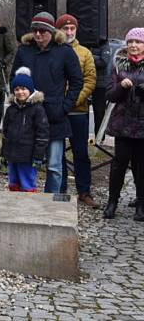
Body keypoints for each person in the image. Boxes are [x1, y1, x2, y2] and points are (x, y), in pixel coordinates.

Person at [11, 12, 83, 194]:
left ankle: (51, 203)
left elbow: (77, 82)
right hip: (27, 115)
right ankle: (27, 200)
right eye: (35, 31)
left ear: (51, 31)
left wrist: (65, 107)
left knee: (54, 166)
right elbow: (14, 78)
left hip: (54, 115)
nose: (38, 35)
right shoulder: (24, 51)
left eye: (42, 31)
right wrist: (18, 100)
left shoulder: (65, 51)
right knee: (25, 162)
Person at [56, 14, 99, 207]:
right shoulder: (53, 51)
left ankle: (84, 191)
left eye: (72, 29)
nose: (69, 32)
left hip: (78, 111)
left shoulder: (85, 53)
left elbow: (90, 80)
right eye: (66, 29)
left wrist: (73, 100)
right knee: (57, 153)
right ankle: (61, 188)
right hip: (57, 112)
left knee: (81, 153)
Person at [102, 28, 144, 221]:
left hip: (142, 125)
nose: (133, 46)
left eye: (137, 42)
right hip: (123, 124)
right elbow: (109, 95)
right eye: (130, 42)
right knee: (119, 164)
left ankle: (141, 204)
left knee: (142, 165)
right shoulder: (118, 66)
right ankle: (112, 202)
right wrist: (121, 86)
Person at [1, 68, 49, 192]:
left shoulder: (37, 110)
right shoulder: (11, 110)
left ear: (30, 90)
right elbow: (5, 133)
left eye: (23, 89)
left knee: (27, 183)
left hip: (28, 156)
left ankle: (28, 207)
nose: (20, 92)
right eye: (16, 89)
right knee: (13, 182)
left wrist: (38, 156)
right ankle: (14, 205)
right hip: (12, 154)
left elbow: (42, 134)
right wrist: (4, 153)